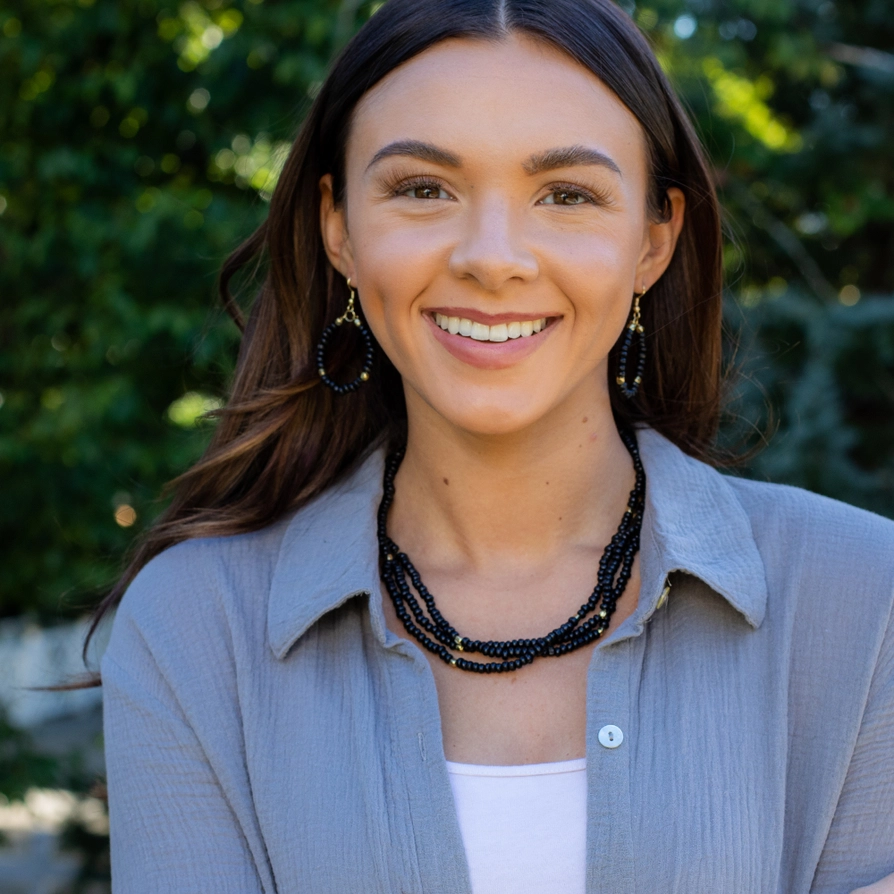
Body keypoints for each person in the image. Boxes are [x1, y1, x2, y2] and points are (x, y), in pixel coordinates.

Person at [91, 0, 894, 891]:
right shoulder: (196, 630)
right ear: (339, 229)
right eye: (424, 188)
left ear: (654, 241)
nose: (493, 257)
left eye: (567, 195)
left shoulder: (868, 606)